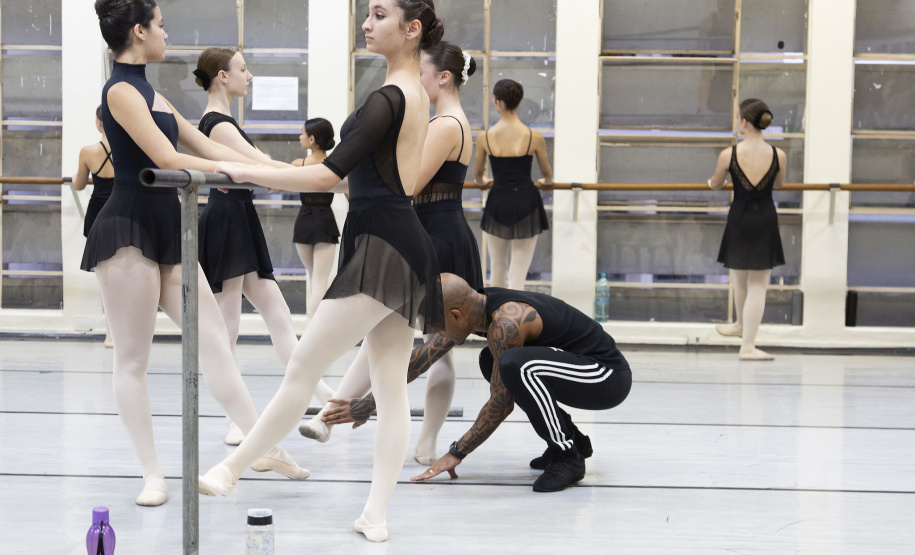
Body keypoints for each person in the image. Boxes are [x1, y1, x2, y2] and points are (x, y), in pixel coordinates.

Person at [198, 0, 445, 542]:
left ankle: (233, 468)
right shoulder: (413, 96)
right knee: (388, 385)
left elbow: (327, 174)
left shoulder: (390, 97)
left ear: (411, 29)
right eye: (366, 13)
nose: (366, 21)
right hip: (393, 238)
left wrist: (242, 169)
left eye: (379, 14)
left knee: (304, 366)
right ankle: (374, 515)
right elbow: (351, 181)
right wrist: (266, 171)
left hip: (383, 245)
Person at [82, 0, 308, 507]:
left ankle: (261, 445)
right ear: (139, 32)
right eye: (161, 24)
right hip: (128, 229)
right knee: (133, 360)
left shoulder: (151, 92)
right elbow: (166, 158)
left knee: (214, 343)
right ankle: (153, 474)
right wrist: (241, 174)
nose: (167, 32)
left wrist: (270, 169)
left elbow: (206, 145)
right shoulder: (120, 91)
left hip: (170, 228)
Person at [321, 273, 632, 493]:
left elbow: (501, 404)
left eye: (435, 324)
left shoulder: (506, 324)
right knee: (495, 361)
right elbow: (420, 359)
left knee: (513, 366)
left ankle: (569, 456)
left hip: (605, 376)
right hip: (574, 367)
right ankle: (570, 439)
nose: (434, 332)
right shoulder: (476, 306)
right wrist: (368, 404)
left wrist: (456, 452)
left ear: (456, 316)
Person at [192, 47, 335, 445]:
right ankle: (235, 419)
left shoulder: (224, 120)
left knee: (277, 314)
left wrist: (303, 174)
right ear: (222, 76)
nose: (249, 75)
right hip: (227, 220)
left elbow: (262, 167)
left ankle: (328, 398)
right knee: (230, 325)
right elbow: (260, 163)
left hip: (241, 217)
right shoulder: (216, 123)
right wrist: (318, 175)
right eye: (242, 69)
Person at [710, 98, 786, 361]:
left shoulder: (728, 154)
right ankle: (743, 331)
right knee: (756, 283)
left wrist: (711, 183)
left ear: (744, 121)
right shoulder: (778, 155)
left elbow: (717, 184)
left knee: (741, 278)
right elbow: (778, 185)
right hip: (764, 216)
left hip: (739, 217)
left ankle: (747, 345)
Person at [474, 79, 553, 290]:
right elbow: (548, 176)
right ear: (518, 103)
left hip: (498, 199)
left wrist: (484, 182)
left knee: (498, 266)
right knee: (519, 270)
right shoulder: (534, 137)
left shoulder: (485, 137)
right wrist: (545, 182)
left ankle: (496, 315)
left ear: (497, 102)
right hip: (527, 199)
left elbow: (478, 176)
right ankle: (516, 317)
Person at [72, 105, 115, 347]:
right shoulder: (127, 151)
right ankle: (118, 331)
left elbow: (78, 185)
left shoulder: (88, 152)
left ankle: (110, 332)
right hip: (120, 210)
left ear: (99, 123)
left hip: (98, 211)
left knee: (104, 275)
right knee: (123, 272)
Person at [291, 118, 340, 318]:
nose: (299, 136)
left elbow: (278, 184)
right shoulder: (335, 165)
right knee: (320, 282)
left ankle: (312, 331)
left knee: (314, 280)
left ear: (312, 139)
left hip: (303, 222)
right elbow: (350, 193)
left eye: (302, 133)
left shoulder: (298, 164)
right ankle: (315, 332)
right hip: (324, 222)